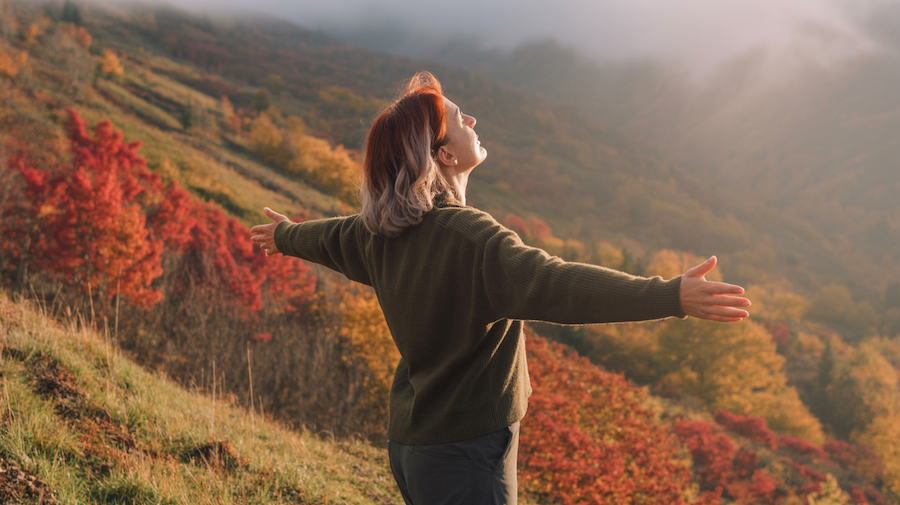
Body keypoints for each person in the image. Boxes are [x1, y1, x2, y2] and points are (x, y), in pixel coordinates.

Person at [250, 71, 750, 505]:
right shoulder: (473, 240)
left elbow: (329, 236)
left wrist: (284, 235)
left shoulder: (379, 232)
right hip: (465, 452)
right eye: (460, 118)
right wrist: (669, 295)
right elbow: (558, 284)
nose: (472, 122)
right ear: (444, 154)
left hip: (413, 445)